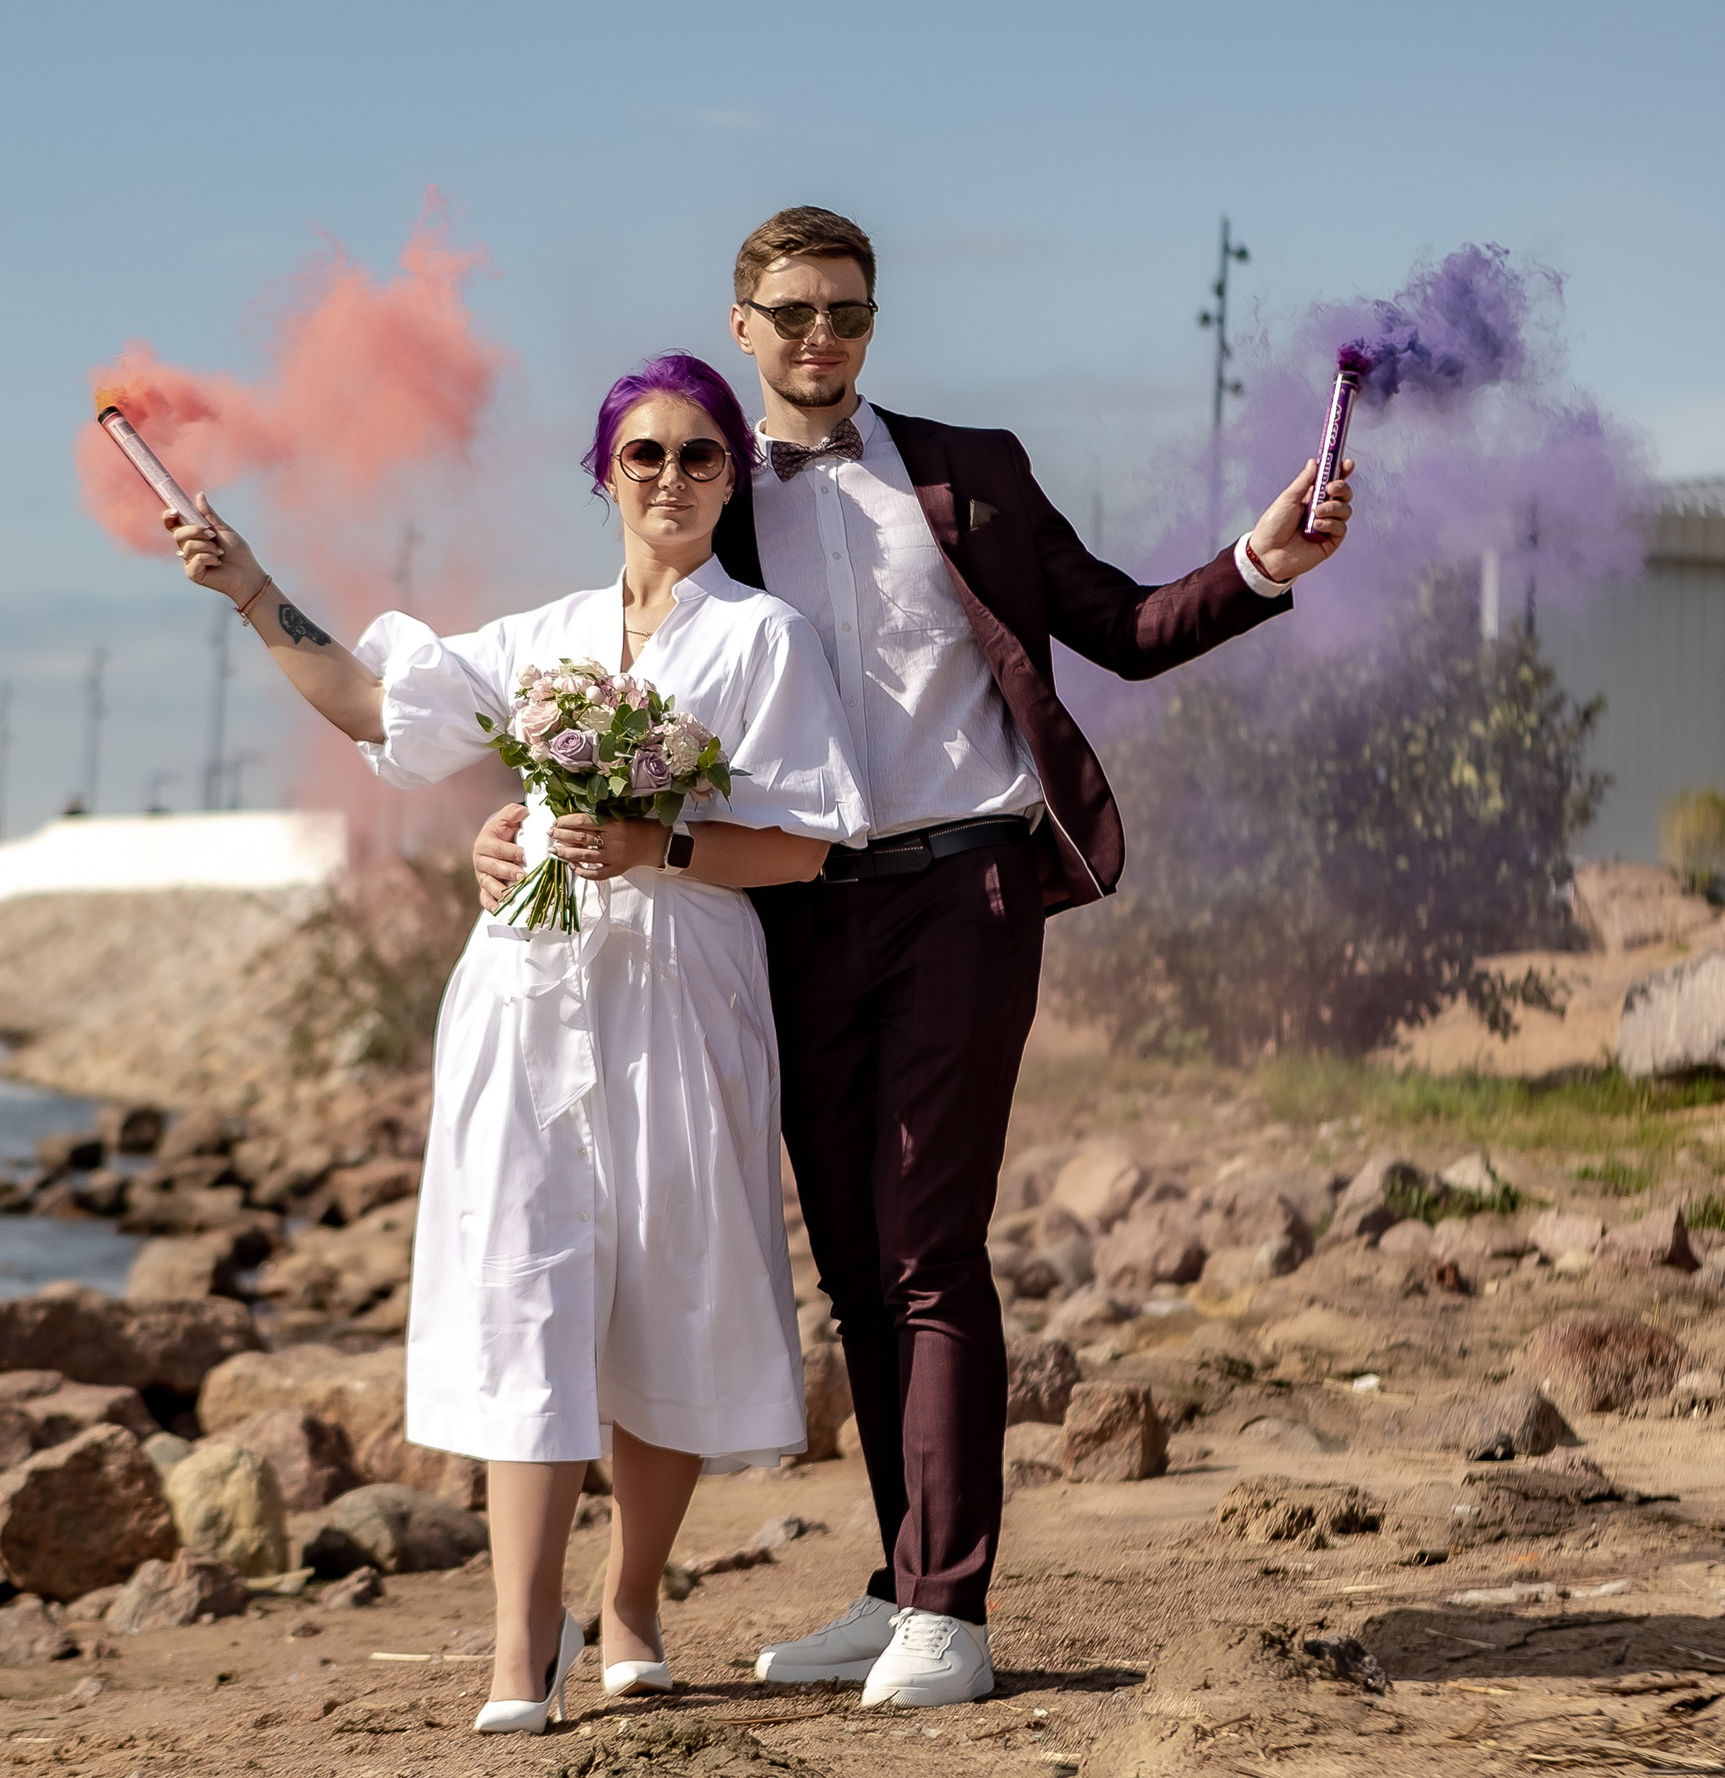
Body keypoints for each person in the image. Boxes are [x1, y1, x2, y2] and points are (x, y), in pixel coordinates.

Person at [472, 207, 1355, 1709]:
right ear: (742, 322)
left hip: (966, 886)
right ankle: (897, 1586)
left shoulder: (973, 473)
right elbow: (626, 679)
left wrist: (1262, 561)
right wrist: (514, 814)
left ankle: (954, 1607)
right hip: (791, 912)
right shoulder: (703, 487)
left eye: (852, 314)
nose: (826, 338)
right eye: (798, 312)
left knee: (928, 1245)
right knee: (856, 1268)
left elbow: (1124, 628)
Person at [165, 352, 871, 1735]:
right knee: (527, 1291)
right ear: (605, 472)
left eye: (703, 455)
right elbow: (382, 709)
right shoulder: (541, 637)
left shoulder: (765, 641)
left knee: (667, 1288)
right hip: (526, 994)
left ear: (735, 477)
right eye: (645, 455)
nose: (672, 478)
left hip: (686, 991)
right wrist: (252, 588)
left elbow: (811, 843)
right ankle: (517, 1640)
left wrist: (655, 839)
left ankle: (632, 1600)